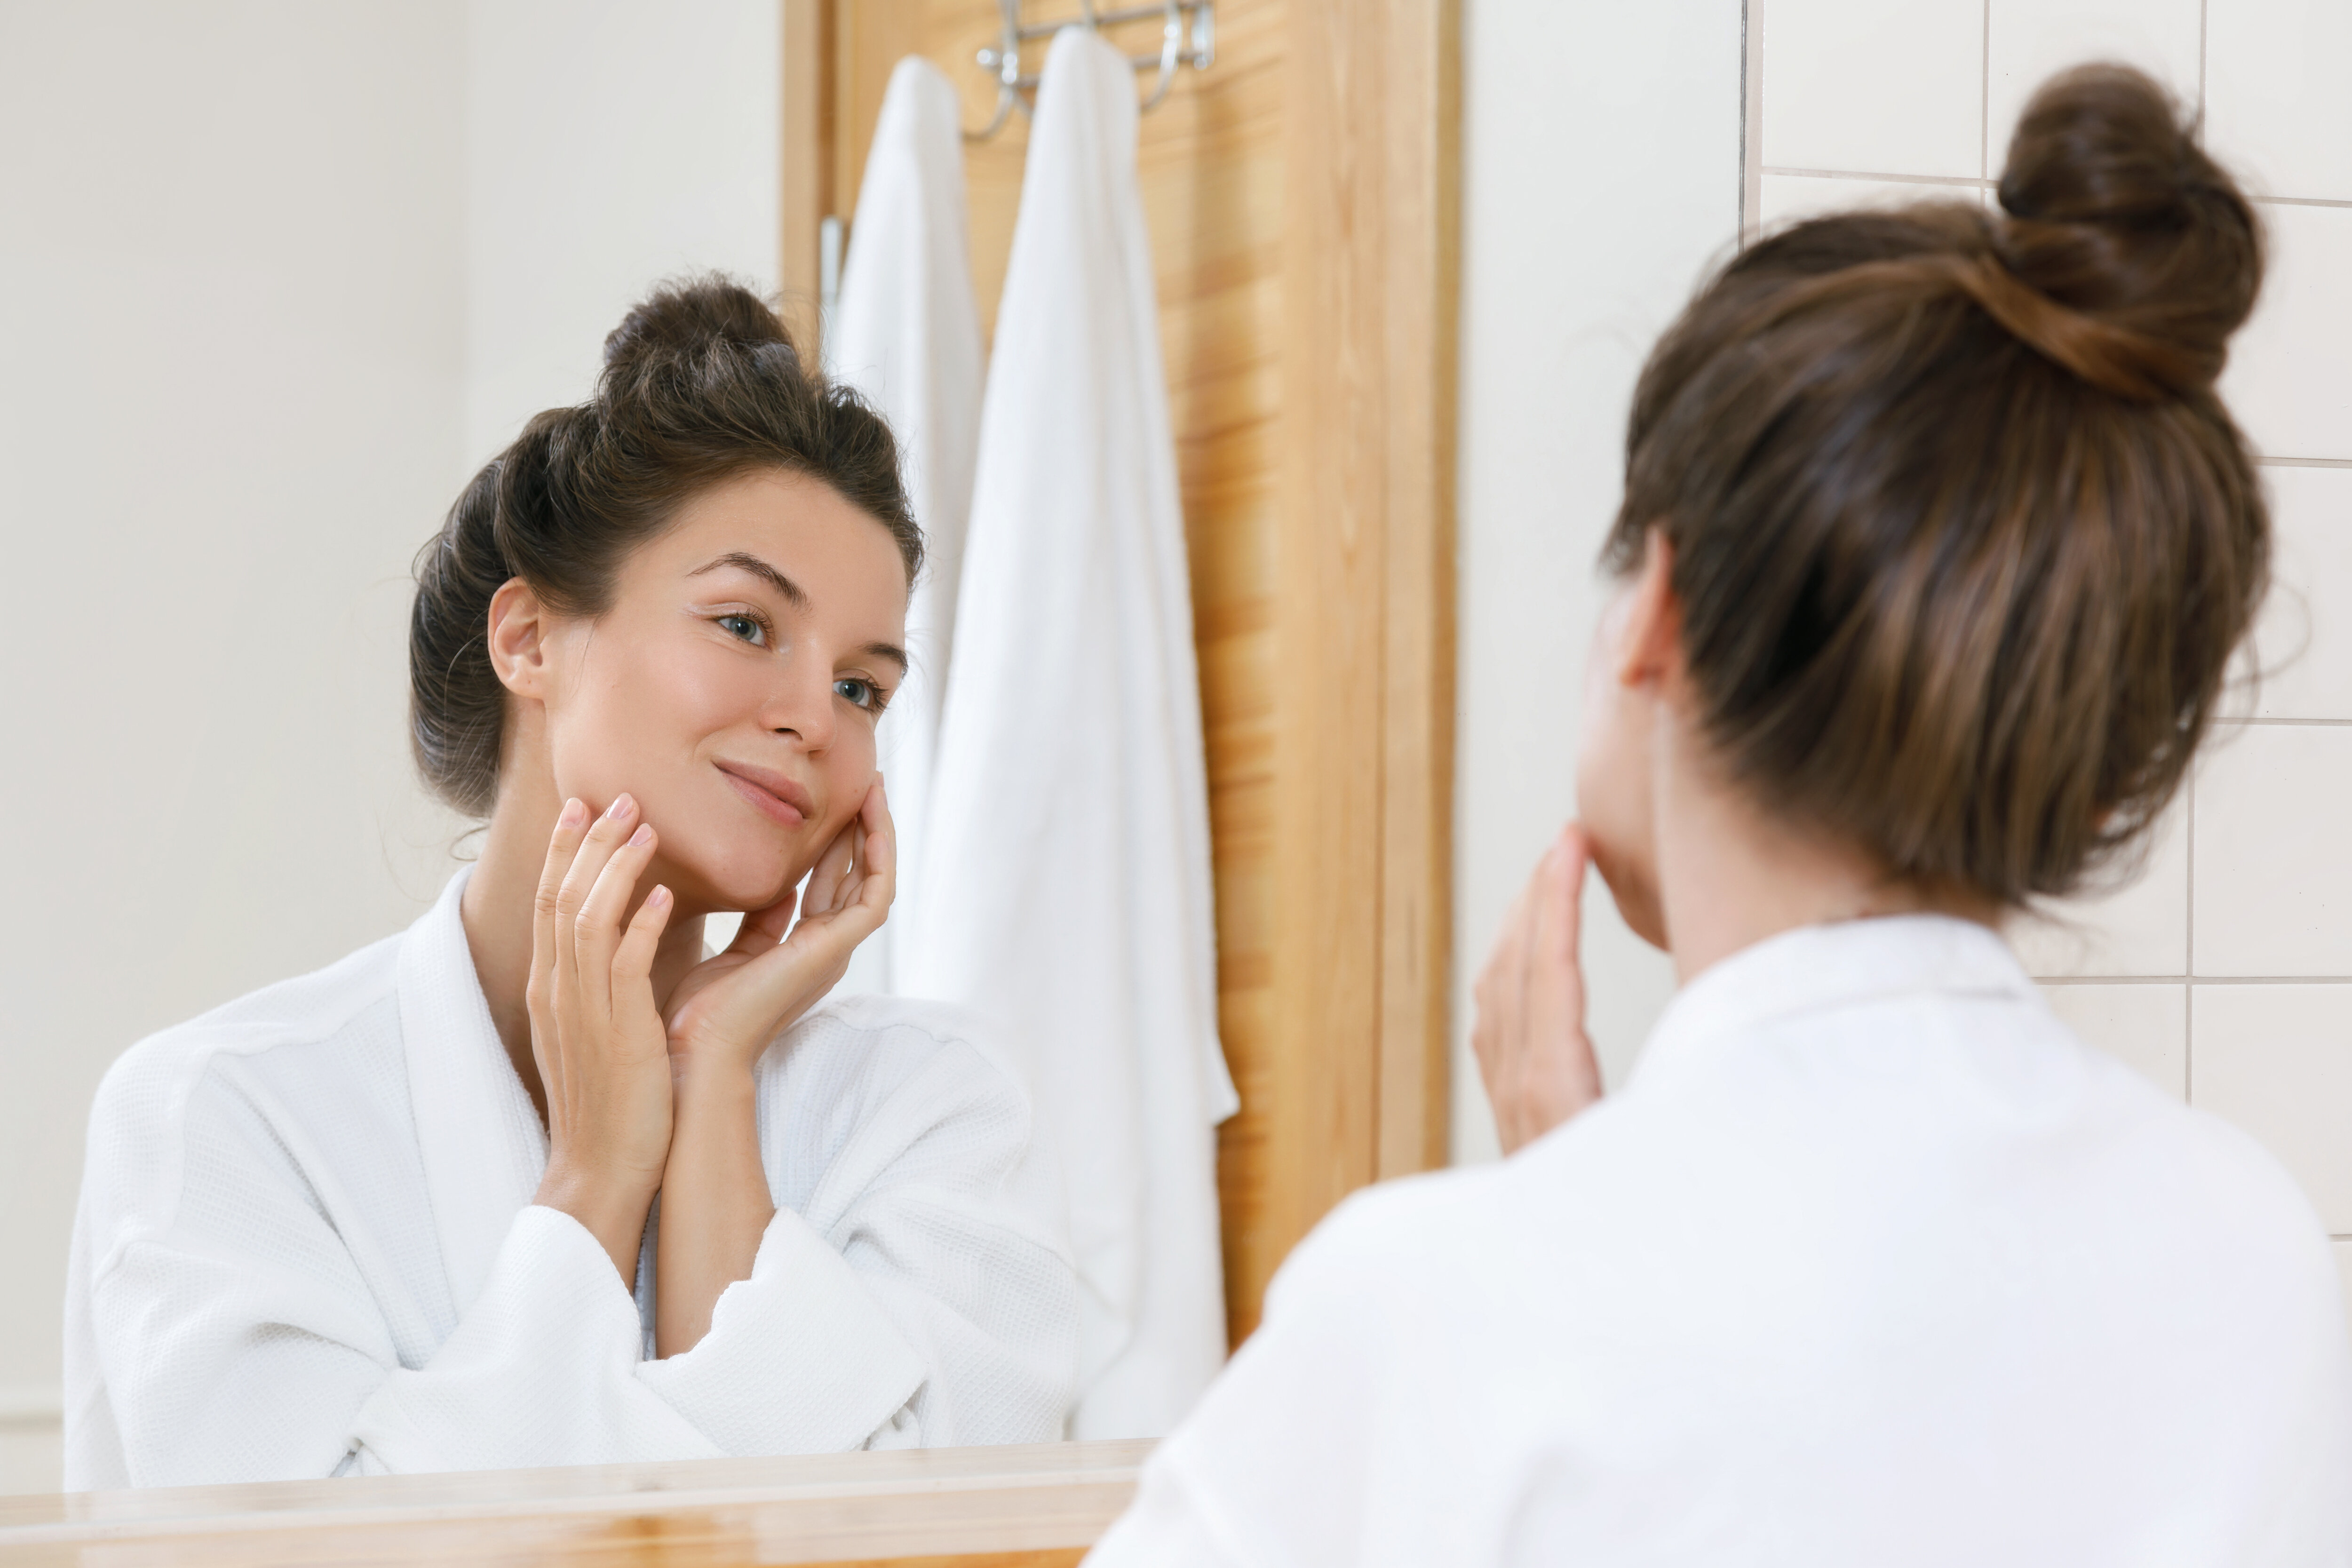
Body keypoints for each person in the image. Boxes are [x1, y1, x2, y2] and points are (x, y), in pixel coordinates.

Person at [1088, 66, 2352, 1565]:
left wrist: (1564, 1207)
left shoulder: (1441, 1303)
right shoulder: (2251, 1255)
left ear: (1660, 611)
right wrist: (1584, 1190)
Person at [64, 279, 1079, 1488]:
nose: (815, 716)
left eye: (864, 687)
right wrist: (593, 1180)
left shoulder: (933, 1114)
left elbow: (915, 1549)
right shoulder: (226, 1116)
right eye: (747, 624)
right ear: (530, 640)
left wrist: (713, 1082)